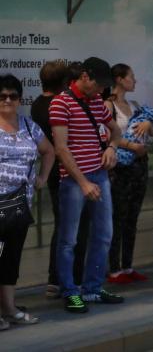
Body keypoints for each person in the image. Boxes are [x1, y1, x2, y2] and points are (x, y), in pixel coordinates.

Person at [49, 57, 125, 313]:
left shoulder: (96, 102)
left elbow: (115, 131)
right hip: (73, 181)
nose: (100, 91)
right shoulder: (61, 103)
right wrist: (82, 182)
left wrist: (112, 149)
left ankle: (92, 288)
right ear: (84, 77)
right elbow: (61, 148)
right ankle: (70, 291)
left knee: (104, 234)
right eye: (98, 85)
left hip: (99, 175)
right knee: (68, 239)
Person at [0, 74, 55, 327]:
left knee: (11, 258)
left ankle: (9, 309)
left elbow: (49, 151)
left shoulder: (29, 125)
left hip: (20, 205)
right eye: (2, 96)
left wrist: (42, 177)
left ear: (20, 99)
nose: (8, 100)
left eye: (13, 96)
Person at [31, 60, 87, 300]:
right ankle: (64, 279)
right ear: (64, 82)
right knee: (70, 228)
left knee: (64, 226)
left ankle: (57, 278)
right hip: (65, 173)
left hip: (54, 173)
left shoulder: (37, 105)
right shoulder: (57, 105)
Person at [104, 64, 153, 285]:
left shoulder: (134, 105)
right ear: (119, 79)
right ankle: (114, 268)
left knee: (132, 216)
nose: (134, 81)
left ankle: (128, 265)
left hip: (139, 165)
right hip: (120, 167)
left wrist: (148, 124)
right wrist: (130, 146)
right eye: (131, 77)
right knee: (118, 217)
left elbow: (151, 132)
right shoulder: (108, 105)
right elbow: (107, 136)